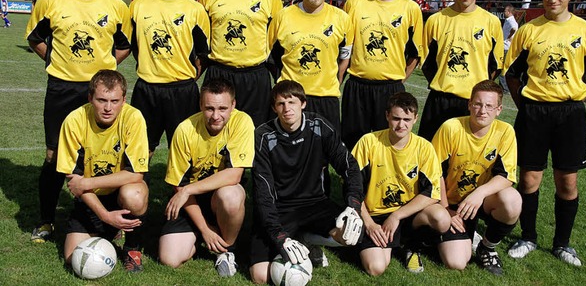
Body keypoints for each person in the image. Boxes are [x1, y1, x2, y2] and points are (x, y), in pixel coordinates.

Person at [25, 0, 132, 243]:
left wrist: (105, 71)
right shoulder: (50, 1)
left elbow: (124, 45)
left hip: (100, 91)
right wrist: (55, 62)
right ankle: (47, 221)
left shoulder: (116, 6)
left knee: (108, 153)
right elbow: (35, 39)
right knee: (54, 155)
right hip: (61, 88)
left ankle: (115, 216)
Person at [504, 0, 586, 266]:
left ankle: (562, 244)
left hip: (570, 114)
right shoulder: (529, 29)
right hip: (533, 111)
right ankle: (528, 236)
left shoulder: (585, 31)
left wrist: (575, 97)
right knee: (529, 178)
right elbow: (512, 74)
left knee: (567, 182)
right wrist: (525, 104)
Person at [251, 80, 364, 284]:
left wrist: (353, 206)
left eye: (292, 102)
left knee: (352, 232)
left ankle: (307, 239)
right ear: (274, 108)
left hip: (315, 204)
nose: (287, 109)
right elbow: (263, 193)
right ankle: (296, 238)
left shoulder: (319, 126)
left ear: (303, 103)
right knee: (260, 276)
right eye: (281, 104)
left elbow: (350, 166)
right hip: (280, 209)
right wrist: (279, 236)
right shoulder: (263, 136)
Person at [158, 78, 254, 277]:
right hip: (191, 202)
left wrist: (188, 189)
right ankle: (204, 235)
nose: (216, 116)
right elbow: (179, 185)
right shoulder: (185, 130)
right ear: (200, 104)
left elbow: (235, 174)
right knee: (170, 259)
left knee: (231, 195)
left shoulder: (242, 122)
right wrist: (204, 229)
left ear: (233, 105)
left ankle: (227, 250)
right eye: (209, 108)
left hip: (220, 195)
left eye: (222, 108)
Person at [57, 70, 148, 272]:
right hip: (89, 199)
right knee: (74, 259)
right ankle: (111, 227)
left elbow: (136, 174)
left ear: (124, 99)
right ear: (90, 98)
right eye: (101, 100)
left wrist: (88, 182)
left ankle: (132, 248)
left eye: (115, 101)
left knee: (135, 194)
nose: (108, 108)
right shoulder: (74, 121)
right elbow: (74, 182)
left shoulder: (133, 118)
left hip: (119, 193)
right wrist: (105, 216)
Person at [352, 91, 449, 276]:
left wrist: (396, 216)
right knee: (376, 268)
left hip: (409, 214)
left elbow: (432, 193)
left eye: (407, 119)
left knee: (441, 218)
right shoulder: (369, 142)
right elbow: (351, 189)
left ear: (415, 118)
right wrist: (369, 224)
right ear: (387, 115)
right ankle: (382, 243)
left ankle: (411, 247)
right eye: (396, 118)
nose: (401, 124)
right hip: (376, 217)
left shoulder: (424, 148)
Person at [129, 0, 210, 161]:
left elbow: (203, 54)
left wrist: (187, 77)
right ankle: (136, 193)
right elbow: (133, 46)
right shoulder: (138, 6)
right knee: (140, 151)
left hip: (182, 91)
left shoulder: (195, 10)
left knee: (186, 153)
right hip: (147, 90)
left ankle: (186, 194)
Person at [433, 80, 521, 275]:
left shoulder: (505, 131)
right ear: (469, 104)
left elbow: (507, 176)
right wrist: (446, 209)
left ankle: (487, 247)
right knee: (456, 262)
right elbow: (434, 173)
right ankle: (454, 235)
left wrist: (479, 193)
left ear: (498, 109)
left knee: (512, 200)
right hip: (452, 203)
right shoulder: (451, 128)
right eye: (478, 104)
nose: (483, 110)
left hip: (481, 202)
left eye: (489, 106)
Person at [341, 0, 424, 149]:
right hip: (357, 86)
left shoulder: (410, 9)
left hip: (390, 88)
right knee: (353, 145)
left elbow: (415, 54)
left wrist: (397, 79)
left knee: (387, 146)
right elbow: (345, 49)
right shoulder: (354, 3)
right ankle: (352, 182)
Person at [199, 0, 283, 126]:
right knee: (214, 132)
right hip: (219, 73)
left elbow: (275, 40)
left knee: (255, 134)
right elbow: (203, 40)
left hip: (255, 77)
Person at [418, 0, 503, 141]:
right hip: (439, 101)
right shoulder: (436, 20)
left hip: (474, 103)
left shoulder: (491, 22)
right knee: (431, 160)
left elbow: (495, 65)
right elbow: (427, 63)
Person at [268, 0, 353, 130]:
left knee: (325, 154)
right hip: (290, 99)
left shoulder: (342, 19)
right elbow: (271, 56)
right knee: (288, 152)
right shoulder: (282, 17)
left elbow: (345, 58)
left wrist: (335, 82)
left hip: (326, 100)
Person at [498, 4, 518, 94]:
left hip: (506, 46)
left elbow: (514, 28)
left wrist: (510, 36)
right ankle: (502, 87)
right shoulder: (508, 20)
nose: (504, 12)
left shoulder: (511, 21)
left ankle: (505, 88)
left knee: (502, 68)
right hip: (504, 46)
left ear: (509, 12)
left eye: (505, 11)